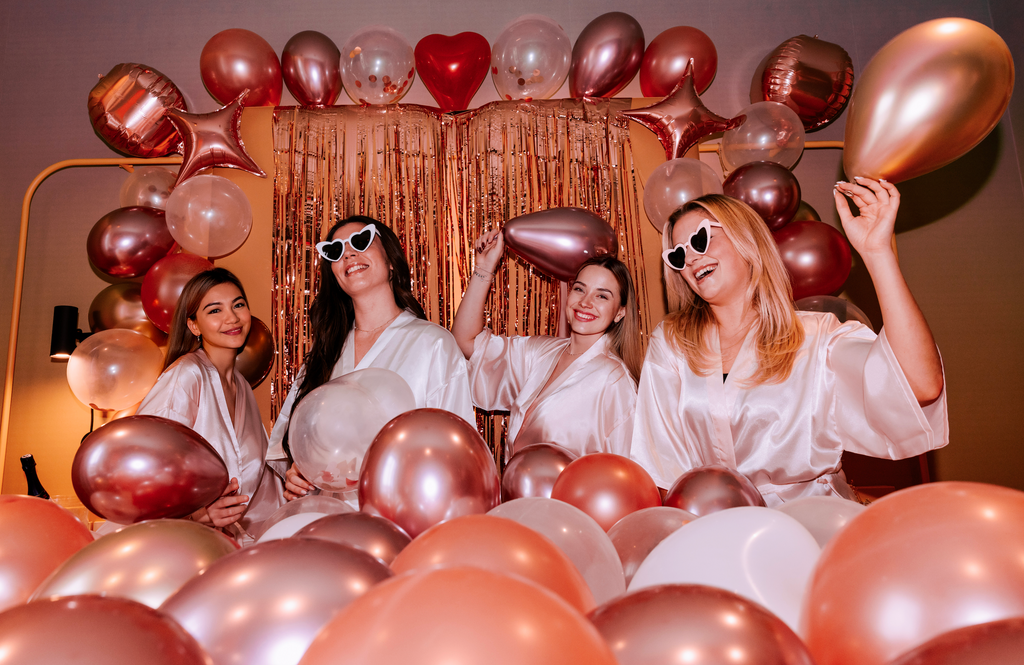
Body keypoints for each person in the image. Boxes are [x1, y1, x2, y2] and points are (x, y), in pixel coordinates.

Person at [630, 178, 948, 505]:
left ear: (746, 237)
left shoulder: (817, 337)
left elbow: (920, 385)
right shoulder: (671, 343)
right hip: (717, 530)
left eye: (700, 240)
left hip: (814, 527)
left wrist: (877, 253)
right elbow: (661, 469)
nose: (692, 259)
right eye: (678, 256)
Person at [269, 215, 474, 500]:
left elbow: (457, 453)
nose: (348, 253)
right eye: (335, 251)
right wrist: (298, 473)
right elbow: (300, 447)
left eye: (360, 241)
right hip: (332, 525)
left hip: (404, 522)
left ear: (390, 260)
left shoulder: (433, 343)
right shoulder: (324, 354)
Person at [452, 229, 642, 460]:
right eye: (580, 289)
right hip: (517, 495)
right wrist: (483, 268)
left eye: (602, 296)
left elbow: (627, 471)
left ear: (620, 312)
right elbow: (467, 341)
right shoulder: (540, 352)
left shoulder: (614, 379)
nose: (585, 302)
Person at [136, 268, 284, 541]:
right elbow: (142, 466)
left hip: (237, 546)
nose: (232, 318)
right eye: (215, 310)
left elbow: (264, 483)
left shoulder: (241, 387)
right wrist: (197, 516)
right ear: (194, 325)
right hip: (187, 544)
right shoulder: (187, 375)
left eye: (238, 305)